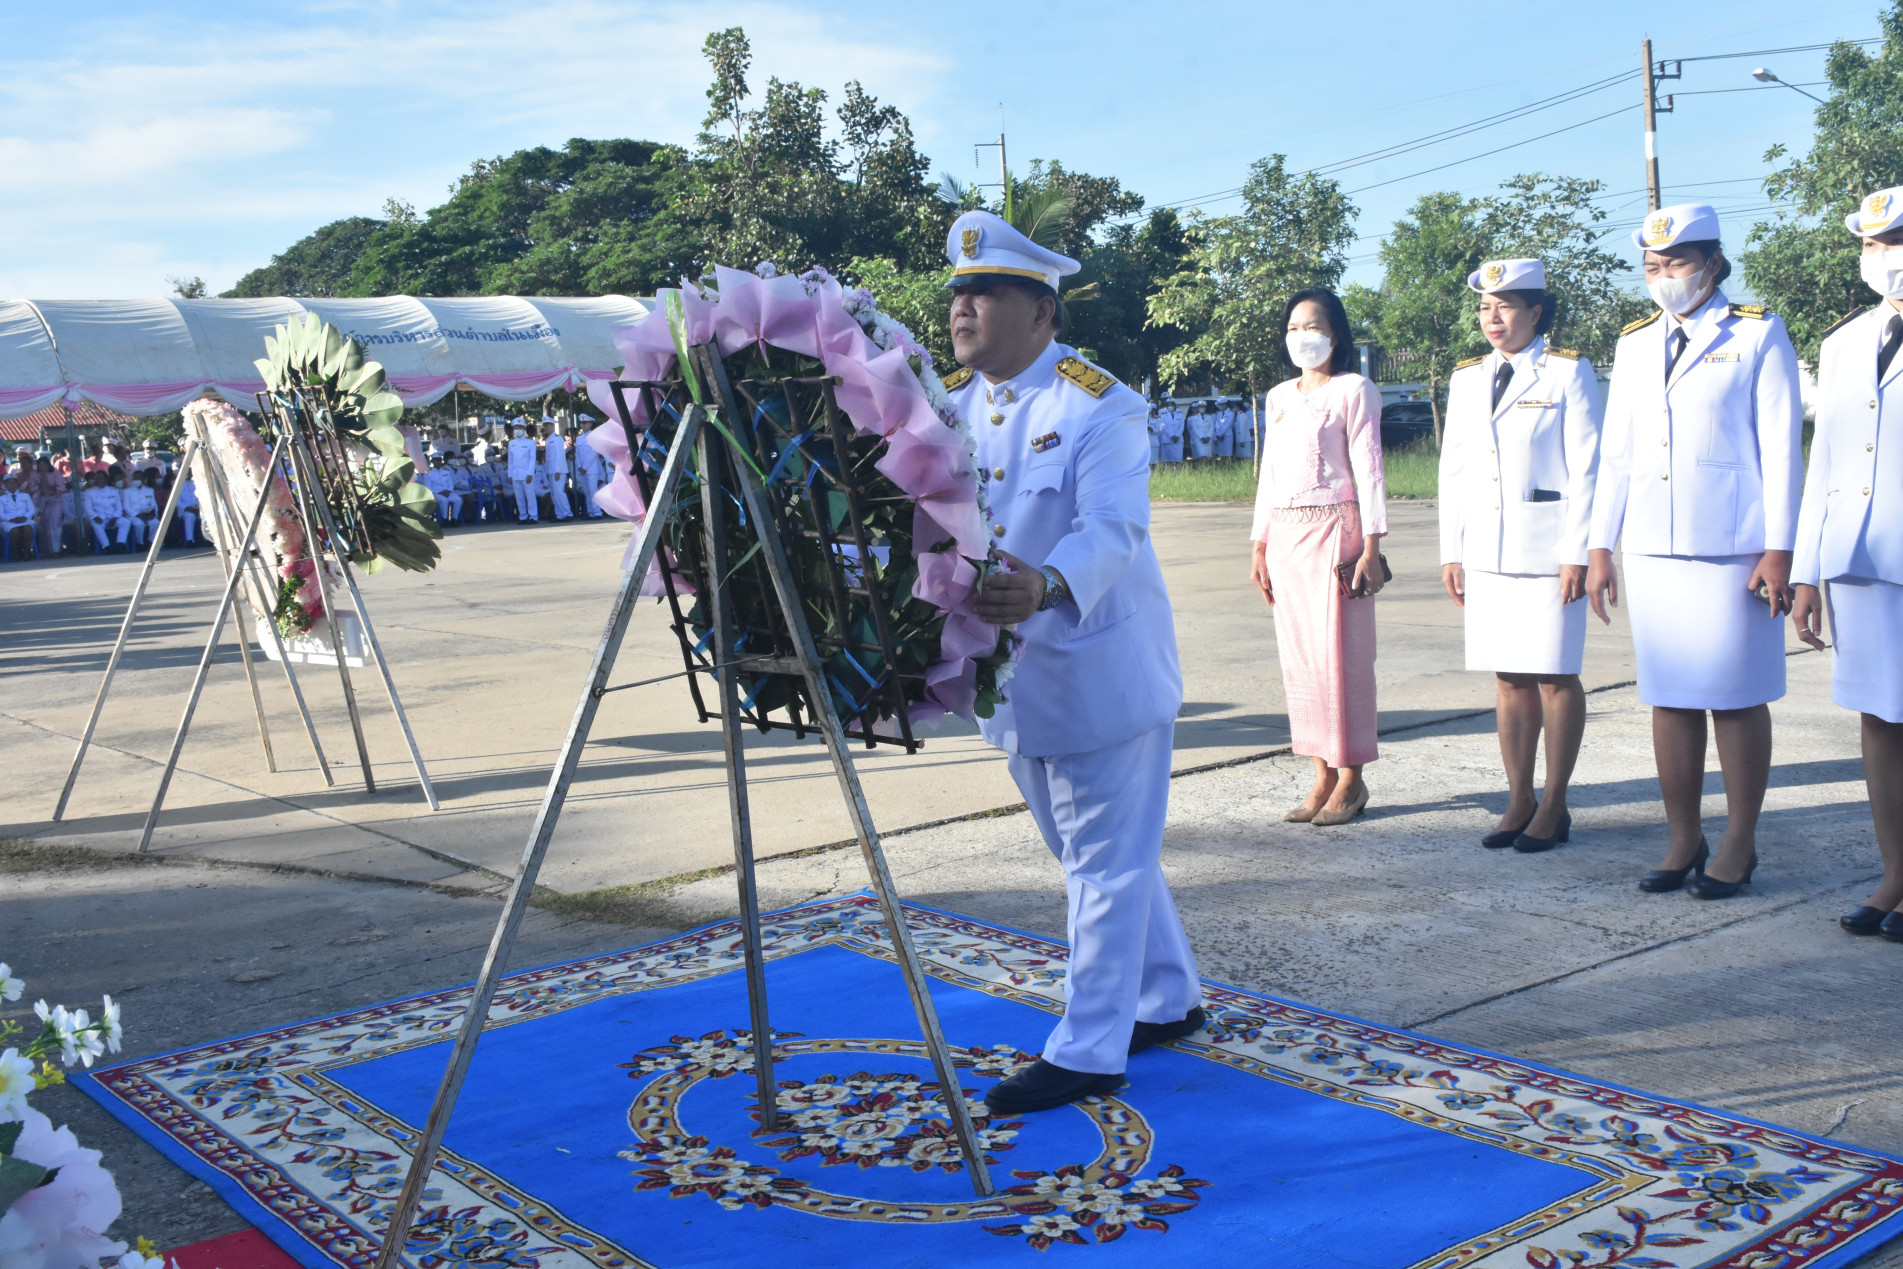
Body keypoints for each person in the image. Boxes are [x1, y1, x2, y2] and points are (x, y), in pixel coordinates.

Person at [943, 208, 1203, 1114]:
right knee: (1098, 855)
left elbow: (1115, 527)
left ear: (1042, 313)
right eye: (958, 292)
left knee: (1101, 861)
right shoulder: (950, 408)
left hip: (1097, 670)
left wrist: (1049, 583)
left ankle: (1089, 1046)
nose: (963, 307)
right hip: (1013, 682)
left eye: (986, 292)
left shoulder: (1099, 402)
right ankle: (1166, 995)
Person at [1586, 203, 1804, 898]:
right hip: (1652, 546)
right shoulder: (1634, 342)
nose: (1663, 277)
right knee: (1670, 698)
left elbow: (1780, 448)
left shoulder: (1759, 332)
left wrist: (1780, 548)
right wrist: (1599, 544)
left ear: (1711, 262)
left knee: (1736, 700)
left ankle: (1738, 841)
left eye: (1675, 263)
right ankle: (1683, 835)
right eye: (1651, 267)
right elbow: (1613, 455)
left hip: (1734, 549)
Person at [1439, 258, 1605, 851]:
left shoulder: (1567, 373)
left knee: (1557, 677)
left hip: (1549, 551)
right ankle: (1519, 797)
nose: (1494, 316)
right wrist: (1451, 550)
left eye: (1506, 305)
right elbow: (1453, 468)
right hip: (1486, 551)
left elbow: (1588, 467)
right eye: (1485, 306)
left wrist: (1579, 552)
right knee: (1509, 679)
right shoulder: (1467, 378)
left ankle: (1555, 803)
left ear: (1537, 311)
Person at [1792, 185, 1903, 941]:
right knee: (1878, 716)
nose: (1880, 256)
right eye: (1870, 244)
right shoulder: (1844, 342)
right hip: (1860, 557)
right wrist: (1807, 570)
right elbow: (1825, 459)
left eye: (1892, 240)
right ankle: (1895, 870)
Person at [1250, 286, 1388, 825]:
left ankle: (1351, 778)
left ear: (1335, 333)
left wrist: (1373, 545)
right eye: (1292, 328)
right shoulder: (1280, 397)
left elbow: (1370, 466)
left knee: (1344, 658)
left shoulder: (1355, 389)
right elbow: (1269, 474)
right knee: (1303, 662)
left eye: (1312, 326)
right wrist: (1259, 543)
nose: (1301, 337)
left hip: (1338, 530)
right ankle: (1320, 775)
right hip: (1285, 536)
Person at [27, 456, 69, 557]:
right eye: (40, 465)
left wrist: (53, 488)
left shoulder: (55, 473)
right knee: (43, 526)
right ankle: (46, 550)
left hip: (55, 500)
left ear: (48, 465)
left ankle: (56, 549)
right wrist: (40, 486)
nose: (42, 467)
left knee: (55, 525)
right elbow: (32, 488)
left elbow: (62, 488)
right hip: (41, 501)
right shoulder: (34, 474)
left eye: (44, 465)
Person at [79, 471, 127, 551]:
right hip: (99, 517)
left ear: (106, 479)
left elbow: (119, 507)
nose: (98, 480)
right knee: (96, 525)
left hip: (112, 516)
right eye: (96, 479)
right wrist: (95, 516)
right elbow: (88, 508)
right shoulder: (89, 492)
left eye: (101, 478)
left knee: (126, 522)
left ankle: (120, 544)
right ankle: (106, 546)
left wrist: (115, 517)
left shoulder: (114, 491)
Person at [506, 420, 539, 522]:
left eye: (519, 428)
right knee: (519, 497)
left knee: (530, 497)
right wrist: (510, 474)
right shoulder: (511, 443)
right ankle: (523, 516)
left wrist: (530, 473)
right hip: (515, 474)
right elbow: (510, 460)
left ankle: (533, 516)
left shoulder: (530, 442)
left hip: (526, 474)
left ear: (524, 429)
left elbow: (532, 459)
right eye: (515, 428)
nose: (517, 430)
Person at [573, 420, 607, 518]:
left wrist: (584, 467)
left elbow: (593, 453)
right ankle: (591, 512)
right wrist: (579, 466)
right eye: (582, 423)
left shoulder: (594, 436)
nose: (583, 425)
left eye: (585, 423)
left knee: (593, 491)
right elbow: (577, 454)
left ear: (591, 424)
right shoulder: (579, 438)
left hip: (591, 469)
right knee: (587, 492)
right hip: (582, 470)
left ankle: (597, 512)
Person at [541, 418, 574, 520]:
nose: (546, 428)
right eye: (545, 426)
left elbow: (560, 456)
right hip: (551, 470)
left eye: (548, 425)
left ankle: (567, 513)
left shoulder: (558, 438)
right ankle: (560, 514)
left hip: (558, 470)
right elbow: (548, 458)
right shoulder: (548, 440)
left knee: (559, 493)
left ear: (553, 426)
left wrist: (558, 471)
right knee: (554, 494)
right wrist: (547, 470)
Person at [119, 471, 159, 550]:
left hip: (147, 514)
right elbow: (126, 506)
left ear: (144, 479)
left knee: (156, 523)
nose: (136, 479)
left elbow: (154, 505)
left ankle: (150, 542)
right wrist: (137, 515)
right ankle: (140, 543)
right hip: (133, 515)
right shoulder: (126, 491)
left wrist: (153, 514)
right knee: (139, 524)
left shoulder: (149, 490)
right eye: (134, 478)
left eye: (138, 478)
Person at [0, 475, 35, 559]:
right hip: (9, 521)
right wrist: (10, 519)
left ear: (17, 484)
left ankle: (26, 553)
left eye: (14, 483)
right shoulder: (1, 497)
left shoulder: (24, 495)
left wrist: (25, 517)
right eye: (9, 483)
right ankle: (16, 553)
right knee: (14, 531)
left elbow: (31, 509)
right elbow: (1, 513)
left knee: (28, 528)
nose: (12, 485)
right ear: (5, 484)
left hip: (24, 519)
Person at [422, 455, 462, 525]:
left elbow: (450, 484)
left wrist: (449, 490)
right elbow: (428, 487)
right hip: (435, 494)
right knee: (444, 500)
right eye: (437, 460)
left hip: (447, 492)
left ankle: (454, 519)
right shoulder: (428, 473)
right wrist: (440, 492)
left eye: (440, 460)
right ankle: (445, 519)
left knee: (458, 500)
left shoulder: (446, 472)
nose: (439, 462)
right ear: (433, 461)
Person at [174, 467, 200, 546]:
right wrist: (187, 508)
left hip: (199, 509)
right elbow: (177, 501)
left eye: (189, 472)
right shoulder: (178, 484)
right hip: (185, 510)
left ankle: (209, 540)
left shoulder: (196, 483)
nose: (188, 474)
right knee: (190, 517)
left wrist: (199, 508)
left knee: (206, 516)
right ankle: (190, 540)